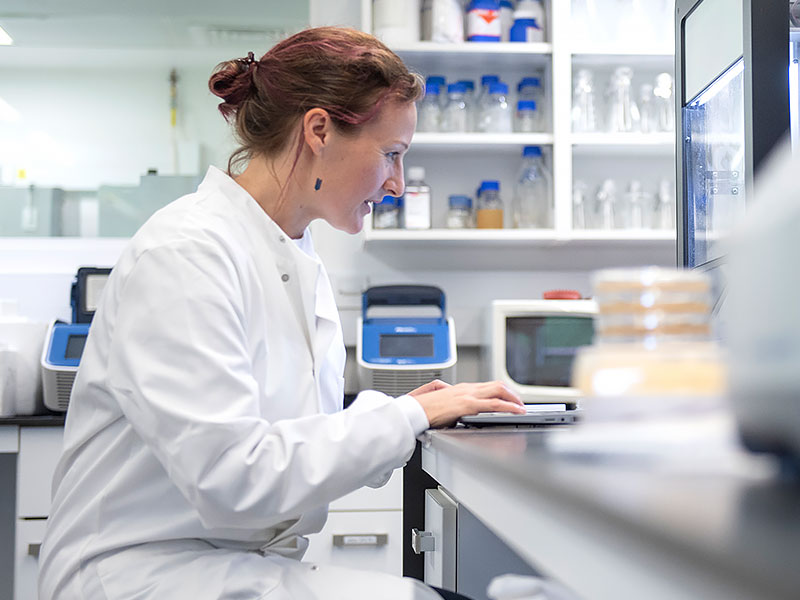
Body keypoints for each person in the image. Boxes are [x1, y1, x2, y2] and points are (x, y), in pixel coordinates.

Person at [38, 26, 525, 600]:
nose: (396, 184)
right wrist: (403, 420)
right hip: (140, 575)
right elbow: (234, 479)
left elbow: (291, 442)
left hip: (232, 567)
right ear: (319, 129)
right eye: (391, 155)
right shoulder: (186, 253)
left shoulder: (289, 253)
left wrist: (405, 411)